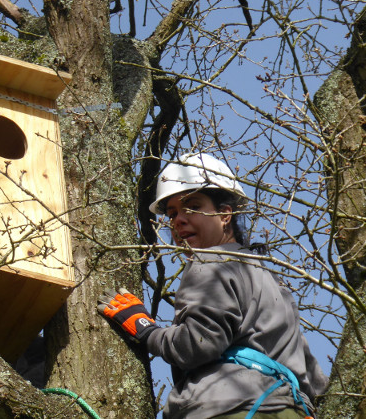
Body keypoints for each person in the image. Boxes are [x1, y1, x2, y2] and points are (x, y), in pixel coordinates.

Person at [97, 153, 328, 419]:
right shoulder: (273, 286)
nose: (178, 220)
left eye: (192, 207)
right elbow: (317, 383)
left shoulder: (210, 262)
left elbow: (198, 344)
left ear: (224, 214)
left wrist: (146, 331)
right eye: (172, 214)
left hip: (232, 408)